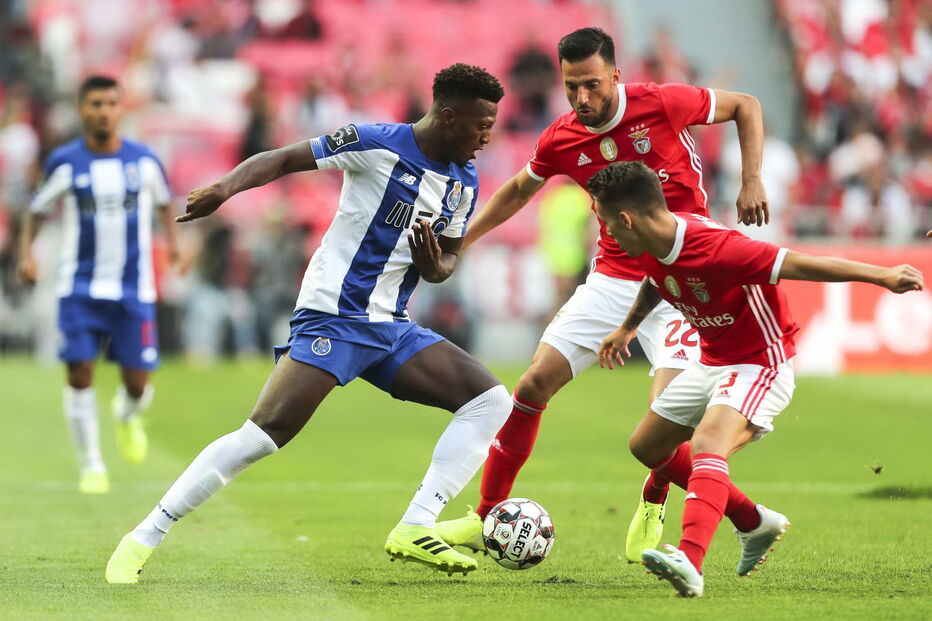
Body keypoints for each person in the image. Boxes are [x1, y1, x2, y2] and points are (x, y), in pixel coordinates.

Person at [104, 63, 509, 583]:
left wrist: (436, 269)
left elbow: (447, 259)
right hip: (334, 317)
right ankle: (144, 536)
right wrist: (225, 189)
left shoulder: (463, 181)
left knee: (490, 401)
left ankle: (415, 525)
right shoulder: (374, 142)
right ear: (450, 117)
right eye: (482, 124)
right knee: (264, 434)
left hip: (392, 326)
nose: (488, 137)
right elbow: (284, 158)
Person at [436, 27, 770, 564]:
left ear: (616, 74)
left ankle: (661, 497)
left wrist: (751, 178)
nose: (583, 100)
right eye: (572, 88)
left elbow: (747, 106)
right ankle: (485, 516)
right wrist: (463, 242)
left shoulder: (662, 102)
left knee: (662, 427)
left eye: (592, 85)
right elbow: (521, 188)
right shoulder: (563, 137)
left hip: (682, 280)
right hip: (614, 279)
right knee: (531, 384)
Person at [590, 160, 923, 597]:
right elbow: (657, 278)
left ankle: (689, 560)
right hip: (712, 361)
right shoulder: (652, 243)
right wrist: (630, 325)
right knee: (648, 446)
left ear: (627, 219)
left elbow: (801, 264)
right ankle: (752, 522)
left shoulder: (718, 247)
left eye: (607, 222)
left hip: (761, 362)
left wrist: (882, 275)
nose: (607, 234)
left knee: (709, 442)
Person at [17, 76, 178, 494]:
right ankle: (92, 465)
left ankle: (128, 415)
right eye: (95, 104)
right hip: (79, 287)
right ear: (82, 109)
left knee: (138, 385)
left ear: (120, 108)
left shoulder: (143, 161)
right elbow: (36, 210)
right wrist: (27, 254)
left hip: (133, 290)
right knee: (79, 371)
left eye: (110, 103)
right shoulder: (66, 162)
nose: (103, 110)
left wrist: (175, 247)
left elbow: (164, 204)